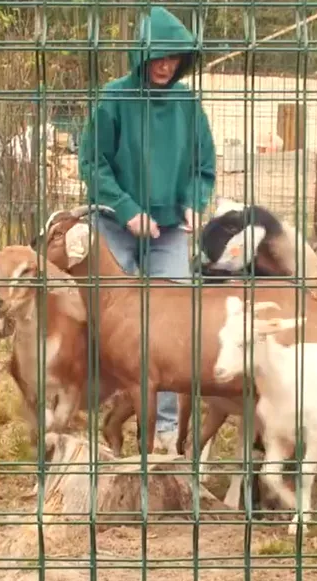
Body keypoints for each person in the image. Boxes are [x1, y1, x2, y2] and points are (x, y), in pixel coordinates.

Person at [78, 5, 217, 453]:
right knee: (110, 324)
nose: (164, 64)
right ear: (141, 55)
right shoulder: (114, 99)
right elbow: (92, 162)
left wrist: (195, 202)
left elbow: (204, 166)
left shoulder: (187, 104)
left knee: (177, 329)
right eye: (157, 56)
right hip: (117, 226)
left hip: (172, 229)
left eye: (173, 57)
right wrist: (125, 208)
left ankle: (164, 431)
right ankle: (106, 413)